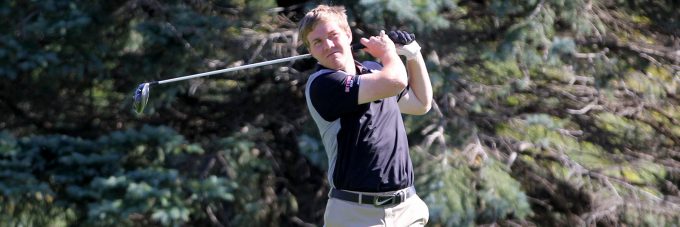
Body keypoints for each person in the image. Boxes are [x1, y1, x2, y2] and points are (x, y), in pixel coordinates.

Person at [298, 4, 433, 227]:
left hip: (407, 210)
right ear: (310, 51)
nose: (329, 45)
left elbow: (421, 103)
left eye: (333, 35)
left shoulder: (374, 71)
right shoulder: (323, 84)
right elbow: (396, 81)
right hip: (356, 215)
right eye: (317, 42)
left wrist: (413, 54)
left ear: (348, 34)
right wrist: (389, 52)